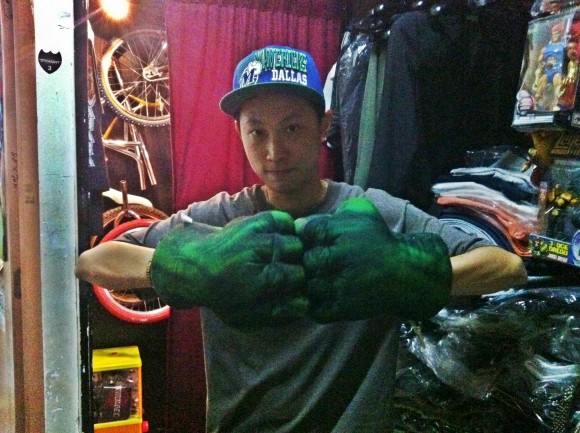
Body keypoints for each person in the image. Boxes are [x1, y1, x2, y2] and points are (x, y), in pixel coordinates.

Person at [76, 45, 527, 432]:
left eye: (292, 127)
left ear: (324, 125)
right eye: (257, 131)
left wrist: (405, 269)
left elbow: (507, 266)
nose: (274, 152)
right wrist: (192, 264)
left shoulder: (372, 212)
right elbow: (93, 263)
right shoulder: (220, 217)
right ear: (238, 132)